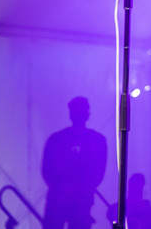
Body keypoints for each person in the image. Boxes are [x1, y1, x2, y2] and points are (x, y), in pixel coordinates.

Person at [41, 97, 107, 229]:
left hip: (72, 201)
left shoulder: (56, 139)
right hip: (69, 200)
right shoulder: (97, 141)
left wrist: (66, 188)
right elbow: (98, 173)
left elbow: (98, 173)